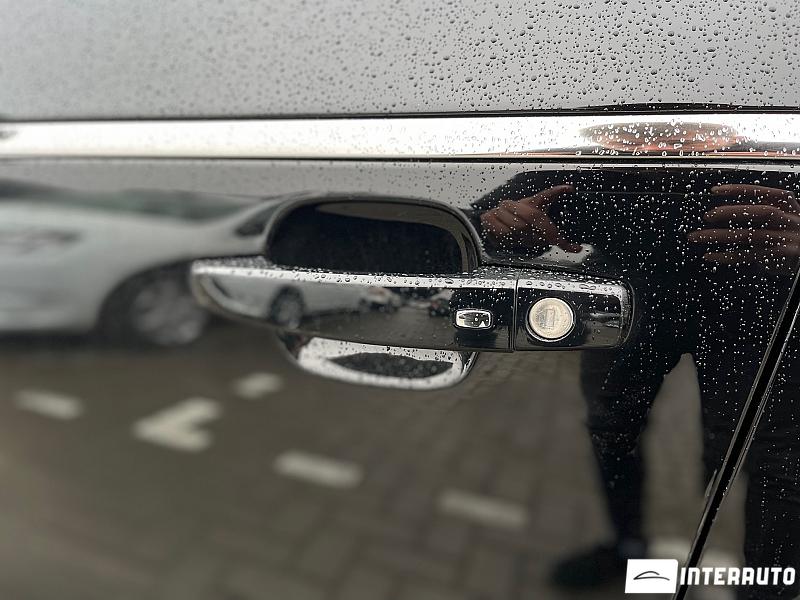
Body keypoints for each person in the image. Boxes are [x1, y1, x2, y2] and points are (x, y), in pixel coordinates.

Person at [476, 176, 800, 599]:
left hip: (761, 297)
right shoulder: (605, 146)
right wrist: (504, 224)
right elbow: (489, 212)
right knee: (610, 431)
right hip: (631, 295)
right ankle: (628, 547)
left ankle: (767, 584)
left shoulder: (768, 146)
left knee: (774, 457)